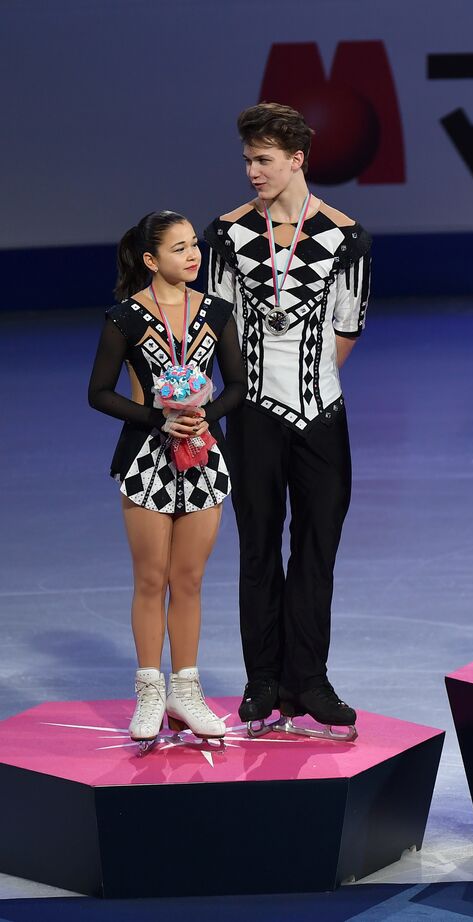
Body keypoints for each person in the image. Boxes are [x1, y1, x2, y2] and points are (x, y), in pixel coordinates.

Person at [206, 102, 371, 739]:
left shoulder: (346, 235)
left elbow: (348, 328)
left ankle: (310, 680)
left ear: (297, 160)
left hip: (321, 414)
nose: (252, 171)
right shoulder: (224, 234)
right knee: (256, 549)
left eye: (264, 160)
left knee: (315, 552)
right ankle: (262, 682)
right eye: (247, 159)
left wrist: (306, 383)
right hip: (249, 414)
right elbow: (213, 325)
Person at [88, 210, 245, 750]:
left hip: (202, 459)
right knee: (152, 579)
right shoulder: (125, 319)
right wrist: (157, 418)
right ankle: (150, 690)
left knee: (191, 579)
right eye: (179, 249)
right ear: (152, 260)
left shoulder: (217, 313)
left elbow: (238, 386)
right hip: (147, 462)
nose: (193, 255)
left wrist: (207, 415)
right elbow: (99, 392)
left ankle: (186, 689)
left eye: (194, 246)